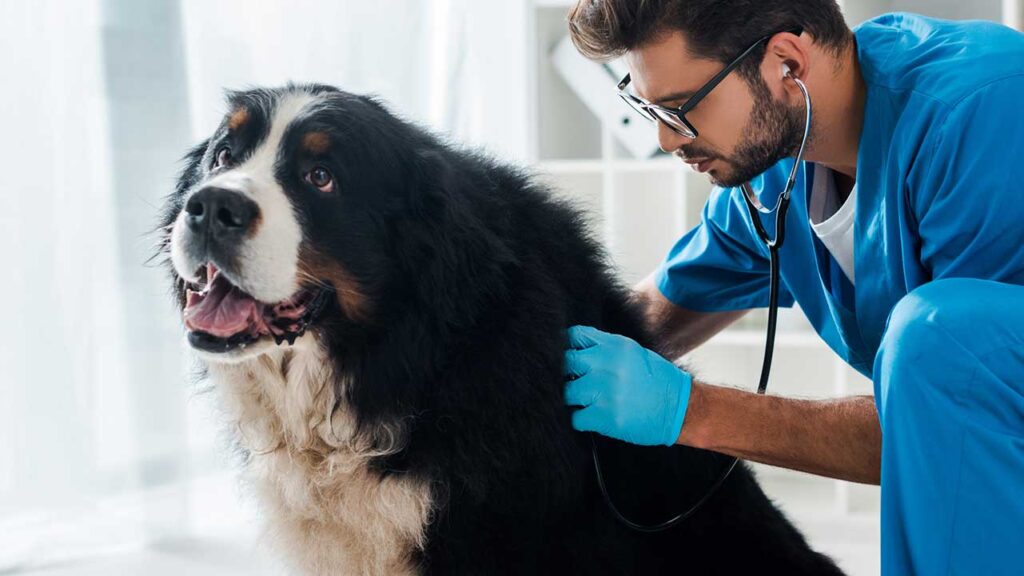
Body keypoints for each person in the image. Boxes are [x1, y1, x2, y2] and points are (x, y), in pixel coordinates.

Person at [560, 1, 1024, 574]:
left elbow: (953, 409)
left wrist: (690, 411)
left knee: (935, 335)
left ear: (786, 63)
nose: (664, 138)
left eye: (680, 110)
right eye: (649, 107)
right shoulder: (777, 171)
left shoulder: (981, 112)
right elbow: (649, 314)